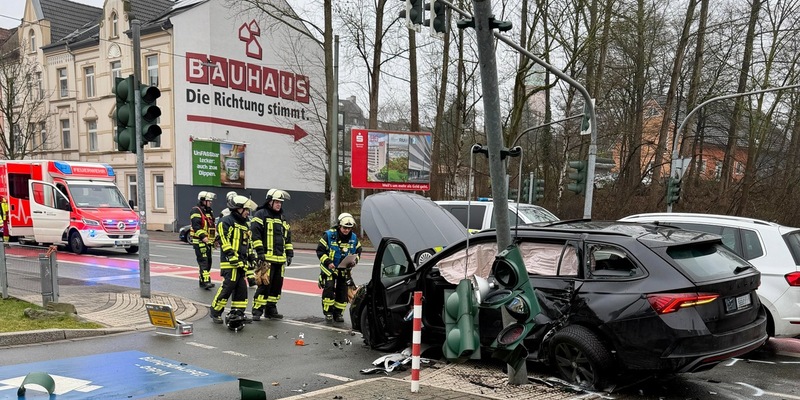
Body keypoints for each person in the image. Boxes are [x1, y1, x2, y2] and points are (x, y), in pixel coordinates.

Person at [210, 195, 257, 329]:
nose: (248, 212)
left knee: (241, 289)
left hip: (241, 263)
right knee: (228, 287)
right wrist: (232, 257)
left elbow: (247, 244)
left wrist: (251, 258)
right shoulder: (226, 221)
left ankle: (238, 313)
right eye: (246, 209)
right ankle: (215, 312)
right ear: (237, 209)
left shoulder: (245, 224)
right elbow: (224, 241)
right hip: (229, 262)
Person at [250, 189, 293, 320]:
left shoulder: (282, 218)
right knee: (264, 285)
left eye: (281, 202)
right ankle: (257, 310)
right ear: (270, 201)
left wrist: (289, 253)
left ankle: (271, 310)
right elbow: (255, 234)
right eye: (277, 202)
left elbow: (288, 238)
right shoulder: (260, 214)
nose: (279, 204)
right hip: (266, 259)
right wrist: (260, 252)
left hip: (280, 260)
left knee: (276, 286)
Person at [316, 213, 362, 322]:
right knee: (329, 289)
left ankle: (338, 314)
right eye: (345, 228)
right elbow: (320, 251)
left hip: (344, 270)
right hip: (329, 269)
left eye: (349, 228)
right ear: (339, 226)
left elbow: (358, 251)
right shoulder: (328, 235)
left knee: (342, 291)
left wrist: (355, 261)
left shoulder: (354, 238)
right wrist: (328, 262)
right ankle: (328, 312)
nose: (346, 230)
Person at [190, 191, 216, 289]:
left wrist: (214, 239)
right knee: (204, 262)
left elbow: (211, 226)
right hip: (200, 242)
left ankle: (203, 280)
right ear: (202, 201)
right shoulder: (196, 211)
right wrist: (203, 237)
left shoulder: (208, 212)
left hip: (208, 242)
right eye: (209, 201)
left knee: (208, 262)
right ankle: (206, 282)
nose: (210, 203)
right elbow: (196, 226)